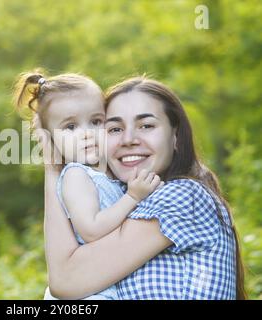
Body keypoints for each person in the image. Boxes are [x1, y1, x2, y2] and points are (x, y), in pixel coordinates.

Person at [41, 76, 246, 300]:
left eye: (146, 125)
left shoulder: (181, 197)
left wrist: (53, 169)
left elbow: (66, 280)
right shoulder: (125, 199)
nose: (128, 139)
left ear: (175, 136)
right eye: (115, 129)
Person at [13, 70, 162, 299]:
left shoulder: (106, 174)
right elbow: (91, 230)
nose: (87, 134)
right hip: (91, 293)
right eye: (70, 127)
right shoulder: (76, 176)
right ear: (51, 139)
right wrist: (132, 198)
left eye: (95, 122)